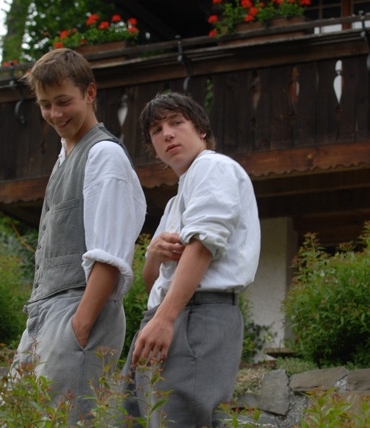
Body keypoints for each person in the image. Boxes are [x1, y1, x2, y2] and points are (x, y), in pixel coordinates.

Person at [7, 49, 146, 422]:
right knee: (19, 419)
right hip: (44, 315)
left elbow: (109, 256)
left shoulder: (104, 155)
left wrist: (79, 328)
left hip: (77, 312)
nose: (55, 114)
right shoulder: (65, 155)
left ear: (90, 93)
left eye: (63, 101)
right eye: (45, 105)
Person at [122, 92, 261, 427]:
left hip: (198, 314)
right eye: (157, 130)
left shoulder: (213, 167)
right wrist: (153, 255)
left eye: (176, 123)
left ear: (201, 129)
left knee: (177, 418)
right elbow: (154, 283)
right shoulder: (176, 200)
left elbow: (203, 247)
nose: (167, 134)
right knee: (138, 417)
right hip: (167, 314)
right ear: (153, 148)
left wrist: (165, 319)